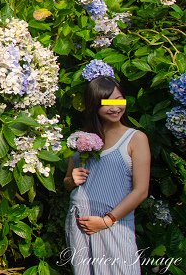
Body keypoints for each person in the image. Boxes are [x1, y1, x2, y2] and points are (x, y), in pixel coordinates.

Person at [62, 76, 150, 274]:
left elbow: (141, 191)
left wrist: (106, 221)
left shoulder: (136, 138)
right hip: (81, 226)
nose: (115, 107)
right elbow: (68, 182)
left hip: (114, 226)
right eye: (107, 102)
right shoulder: (80, 139)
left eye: (119, 100)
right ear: (94, 105)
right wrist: (71, 179)